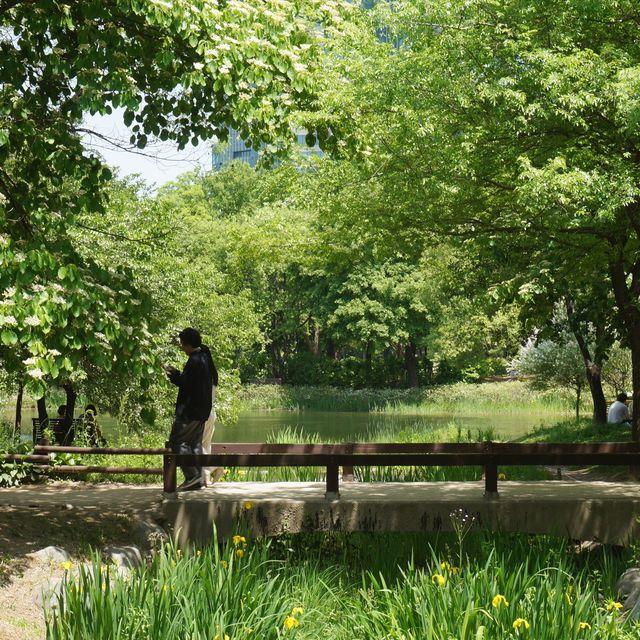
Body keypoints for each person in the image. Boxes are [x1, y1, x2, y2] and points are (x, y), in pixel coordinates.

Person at [165, 327, 215, 491]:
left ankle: (193, 476)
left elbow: (185, 383)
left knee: (175, 441)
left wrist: (172, 374)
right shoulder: (204, 357)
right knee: (195, 445)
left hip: (190, 412)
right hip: (202, 411)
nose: (181, 347)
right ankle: (198, 480)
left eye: (182, 344)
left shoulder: (195, 360)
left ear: (187, 344)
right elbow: (192, 383)